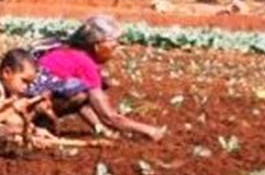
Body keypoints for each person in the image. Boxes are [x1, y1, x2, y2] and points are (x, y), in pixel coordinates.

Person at [32, 15, 166, 141]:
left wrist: (101, 130)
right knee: (82, 93)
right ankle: (40, 123)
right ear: (97, 46)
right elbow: (109, 117)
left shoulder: (67, 51)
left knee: (80, 93)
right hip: (33, 107)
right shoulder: (84, 64)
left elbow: (81, 103)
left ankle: (37, 121)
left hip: (31, 102)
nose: (115, 51)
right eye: (113, 46)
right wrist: (149, 131)